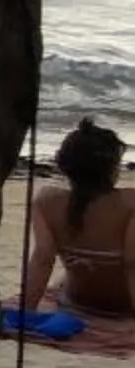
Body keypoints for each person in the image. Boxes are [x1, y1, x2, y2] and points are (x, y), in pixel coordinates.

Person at [18, 118, 134, 318]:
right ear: (112, 169)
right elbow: (133, 262)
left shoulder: (46, 201)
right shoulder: (131, 201)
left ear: (64, 166)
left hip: (79, 302)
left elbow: (42, 259)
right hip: (125, 305)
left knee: (64, 277)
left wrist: (25, 314)